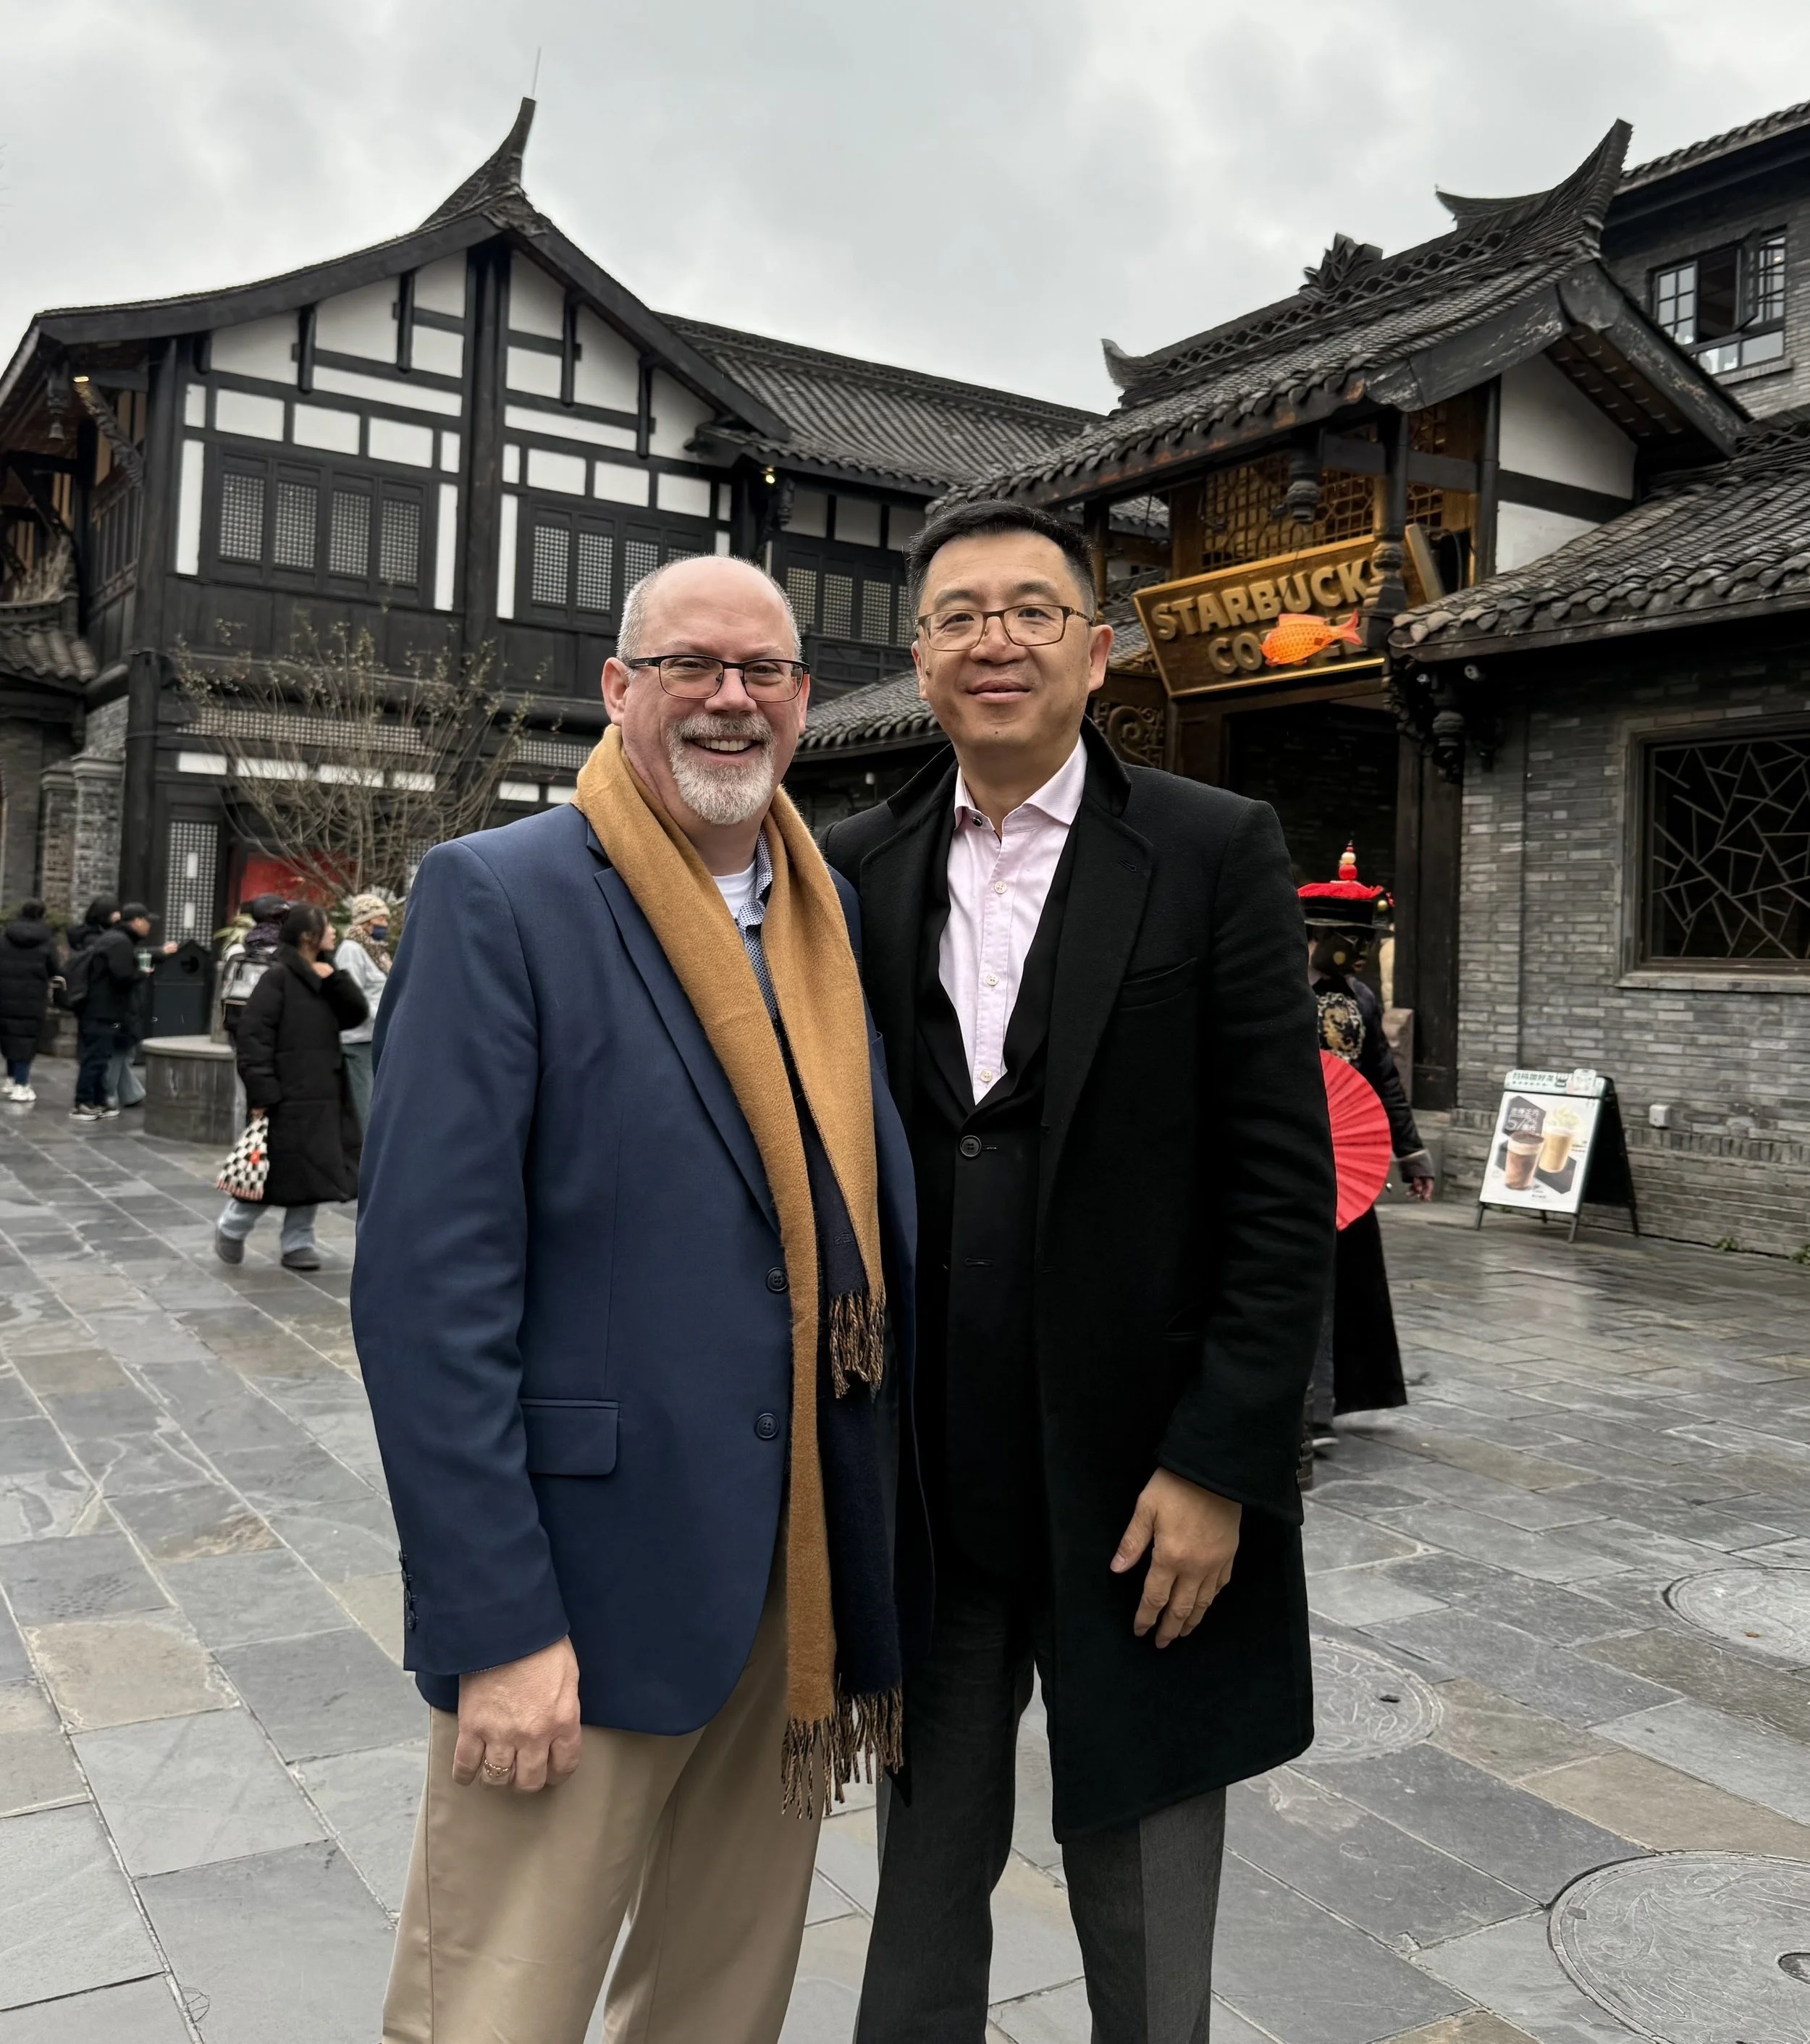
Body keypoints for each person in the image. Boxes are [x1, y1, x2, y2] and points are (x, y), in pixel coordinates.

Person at [354, 553, 925, 2044]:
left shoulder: (825, 915)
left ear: (804, 702)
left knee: (718, 2004)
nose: (730, 698)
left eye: (764, 672)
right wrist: (495, 1624)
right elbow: (429, 1295)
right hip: (581, 1591)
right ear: (618, 689)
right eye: (690, 665)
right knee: (494, 2006)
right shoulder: (500, 896)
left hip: (787, 1569)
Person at [822, 500, 1334, 2044]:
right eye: (959, 613)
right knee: (920, 1877)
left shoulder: (1208, 847)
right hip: (932, 1474)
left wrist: (1218, 1459)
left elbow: (1276, 1181)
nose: (995, 639)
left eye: (1032, 609)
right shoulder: (854, 866)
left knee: (1143, 1887)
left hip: (1140, 1482)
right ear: (917, 657)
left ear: (1095, 650)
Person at [1300, 849, 1434, 1465]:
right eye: (1350, 940)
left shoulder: (1361, 999)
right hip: (1293, 1158)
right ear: (1315, 936)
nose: (1361, 953)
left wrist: (1412, 1153)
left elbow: (1381, 1077)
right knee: (1303, 1281)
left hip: (1347, 1164)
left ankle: (1332, 1400)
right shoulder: (1273, 994)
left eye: (1367, 941)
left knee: (1347, 1279)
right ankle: (1304, 1409)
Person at [215, 902, 366, 1271]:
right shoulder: (277, 978)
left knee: (312, 1169)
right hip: (285, 1096)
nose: (333, 932)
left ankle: (298, 1242)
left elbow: (356, 1015)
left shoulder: (323, 976)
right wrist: (263, 1092)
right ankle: (232, 1227)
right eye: (327, 926)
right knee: (272, 1171)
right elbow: (254, 1039)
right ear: (308, 936)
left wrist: (334, 978)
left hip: (323, 1092)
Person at [71, 904, 161, 1120]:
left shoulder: (115, 939)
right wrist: (142, 973)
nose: (149, 926)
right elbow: (122, 976)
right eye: (146, 921)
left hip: (101, 1009)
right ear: (136, 921)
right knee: (95, 1057)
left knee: (101, 1057)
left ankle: (100, 1101)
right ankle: (83, 1103)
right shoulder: (120, 942)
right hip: (102, 1010)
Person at [333, 893, 391, 1132]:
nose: (385, 925)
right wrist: (383, 1016)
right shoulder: (351, 950)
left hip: (374, 1037)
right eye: (381, 919)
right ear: (366, 922)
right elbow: (353, 996)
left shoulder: (376, 951)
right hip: (357, 1040)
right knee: (363, 1107)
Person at [1, 901, 59, 1103]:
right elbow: (55, 968)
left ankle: (10, 1079)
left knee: (9, 1036)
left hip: (5, 996)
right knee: (26, 1040)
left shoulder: (5, 937)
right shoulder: (47, 940)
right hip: (32, 998)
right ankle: (21, 1085)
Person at [219, 893, 288, 1040]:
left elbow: (225, 986)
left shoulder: (237, 950)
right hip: (274, 1025)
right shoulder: (288, 951)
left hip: (239, 1020)